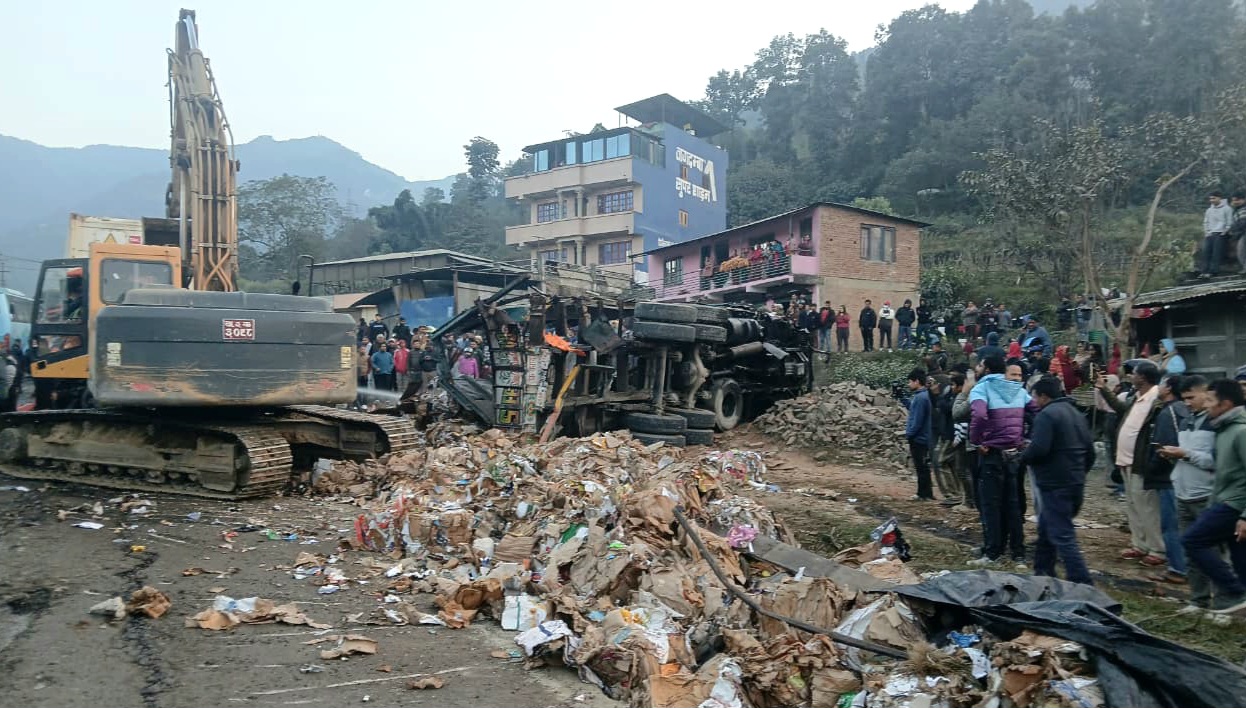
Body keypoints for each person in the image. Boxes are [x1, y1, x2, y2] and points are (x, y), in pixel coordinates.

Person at [1020, 375, 1095, 585]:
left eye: (1034, 397)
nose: (1033, 402)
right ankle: (1042, 572)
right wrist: (1078, 472)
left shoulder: (1047, 415)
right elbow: (1090, 452)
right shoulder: (1076, 413)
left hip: (1055, 484)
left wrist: (1022, 457)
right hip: (1075, 482)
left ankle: (1082, 583)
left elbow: (1039, 449)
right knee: (1047, 528)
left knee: (1063, 535)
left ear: (1043, 396)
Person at [1181, 379, 1246, 614]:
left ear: (1226, 404)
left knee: (1192, 540)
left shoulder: (1241, 431)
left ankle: (1232, 591)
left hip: (1235, 504)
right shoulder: (1223, 429)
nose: (1205, 405)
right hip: (1224, 501)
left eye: (1210, 400)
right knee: (1240, 561)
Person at [1097, 362, 1166, 565]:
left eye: (1134, 374)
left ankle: (1157, 549)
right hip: (1126, 460)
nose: (1130, 377)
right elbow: (1120, 409)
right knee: (1133, 504)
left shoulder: (1156, 399)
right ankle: (1139, 544)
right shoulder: (1136, 398)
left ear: (1143, 378)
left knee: (1147, 506)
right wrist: (1103, 389)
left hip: (1141, 461)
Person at [968, 354, 1034, 567]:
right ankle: (1018, 553)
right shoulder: (1019, 390)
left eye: (979, 364)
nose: (977, 368)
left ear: (986, 368)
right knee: (1013, 504)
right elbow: (1037, 412)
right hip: (1014, 454)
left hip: (993, 454)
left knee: (990, 505)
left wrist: (977, 440)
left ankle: (992, 553)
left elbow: (978, 415)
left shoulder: (981, 389)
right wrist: (1025, 438)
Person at [1159, 376, 1216, 605]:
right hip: (1183, 493)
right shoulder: (1186, 421)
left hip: (1206, 496)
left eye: (1191, 398)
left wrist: (1185, 454)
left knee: (1214, 553)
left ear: (1206, 393)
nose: (1188, 403)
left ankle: (1224, 603)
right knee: (1191, 551)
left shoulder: (1215, 423)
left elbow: (1216, 461)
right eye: (1185, 399)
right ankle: (1198, 600)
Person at [1147, 376, 1190, 578]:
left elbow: (1161, 448)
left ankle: (1177, 569)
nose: (1158, 387)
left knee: (1170, 526)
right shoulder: (1186, 410)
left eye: (1161, 383)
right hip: (1185, 476)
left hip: (1167, 476)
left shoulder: (1167, 413)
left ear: (1169, 388)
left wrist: (1150, 470)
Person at [932, 372, 966, 506]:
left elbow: (947, 407)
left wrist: (937, 396)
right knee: (950, 465)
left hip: (952, 435)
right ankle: (956, 494)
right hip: (947, 433)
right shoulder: (950, 394)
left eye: (953, 385)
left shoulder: (960, 398)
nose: (951, 387)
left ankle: (953, 495)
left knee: (941, 462)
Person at [905, 368, 935, 501]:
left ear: (917, 381)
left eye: (910, 382)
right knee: (923, 467)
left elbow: (917, 420)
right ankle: (926, 493)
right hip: (924, 436)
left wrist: (909, 434)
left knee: (921, 467)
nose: (908, 384)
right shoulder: (923, 396)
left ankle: (923, 494)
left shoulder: (921, 397)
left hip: (919, 438)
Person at [1199, 190, 1234, 279]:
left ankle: (1213, 271)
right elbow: (1206, 222)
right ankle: (1204, 271)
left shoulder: (1227, 209)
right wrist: (1206, 232)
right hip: (1210, 233)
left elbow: (1229, 222)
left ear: (1219, 198)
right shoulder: (1209, 210)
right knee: (1206, 252)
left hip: (1221, 234)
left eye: (1214, 198)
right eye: (1210, 198)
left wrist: (1224, 232)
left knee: (1216, 253)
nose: (1212, 200)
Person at [1231, 190, 1246, 275]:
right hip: (1242, 232)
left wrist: (1234, 230)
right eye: (1233, 200)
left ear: (1243, 200)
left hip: (1244, 232)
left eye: (1237, 200)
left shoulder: (1243, 209)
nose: (1235, 202)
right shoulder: (1237, 209)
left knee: (1241, 249)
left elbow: (1243, 223)